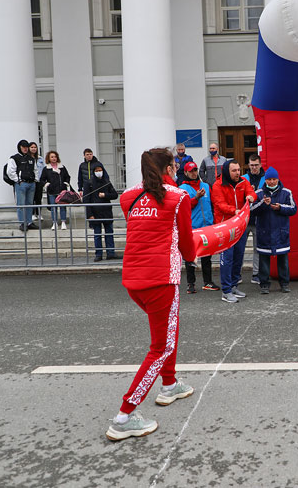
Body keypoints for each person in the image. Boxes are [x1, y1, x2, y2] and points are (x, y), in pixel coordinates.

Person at [106, 148, 196, 441]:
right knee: (161, 347)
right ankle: (124, 416)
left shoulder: (128, 197)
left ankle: (169, 385)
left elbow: (143, 228)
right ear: (169, 168)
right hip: (162, 280)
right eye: (174, 165)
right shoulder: (179, 197)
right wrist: (201, 248)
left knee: (168, 332)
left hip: (134, 280)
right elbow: (187, 247)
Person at [211, 159, 255, 303]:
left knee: (238, 256)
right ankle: (226, 290)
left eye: (238, 170)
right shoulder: (218, 185)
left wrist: (251, 197)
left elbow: (252, 193)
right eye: (234, 171)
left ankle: (234, 285)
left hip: (240, 225)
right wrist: (234, 211)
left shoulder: (243, 182)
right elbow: (219, 204)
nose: (237, 173)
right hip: (225, 227)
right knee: (227, 259)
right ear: (227, 171)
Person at [251, 167, 296, 294]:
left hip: (281, 232)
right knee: (264, 261)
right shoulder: (259, 193)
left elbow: (293, 209)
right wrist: (263, 204)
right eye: (269, 179)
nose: (272, 182)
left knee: (283, 260)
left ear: (278, 179)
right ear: (265, 180)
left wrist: (280, 208)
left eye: (274, 179)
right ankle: (264, 284)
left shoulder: (286, 192)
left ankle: (284, 283)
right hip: (264, 232)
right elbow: (252, 211)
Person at [179, 161, 220, 293]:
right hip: (193, 228)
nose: (194, 173)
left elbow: (213, 204)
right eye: (191, 171)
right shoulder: (182, 189)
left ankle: (207, 282)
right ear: (185, 173)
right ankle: (191, 283)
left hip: (207, 227)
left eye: (195, 170)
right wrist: (196, 197)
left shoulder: (206, 186)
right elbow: (184, 208)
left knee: (207, 257)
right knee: (190, 257)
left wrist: (215, 221)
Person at [83, 164, 118, 262]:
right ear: (93, 172)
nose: (99, 172)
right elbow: (86, 200)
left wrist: (105, 195)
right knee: (97, 234)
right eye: (97, 170)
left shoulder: (106, 181)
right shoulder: (89, 183)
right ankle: (98, 254)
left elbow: (114, 195)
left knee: (109, 233)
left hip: (106, 211)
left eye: (100, 170)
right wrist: (90, 214)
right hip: (95, 212)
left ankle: (111, 253)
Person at [7, 139, 39, 231]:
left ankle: (29, 222)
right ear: (19, 147)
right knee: (21, 204)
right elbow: (10, 171)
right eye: (23, 147)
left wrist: (35, 180)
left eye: (26, 147)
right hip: (21, 183)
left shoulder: (31, 159)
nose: (25, 149)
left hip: (31, 183)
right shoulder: (14, 158)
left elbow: (35, 170)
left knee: (29, 204)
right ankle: (22, 223)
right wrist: (18, 180)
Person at [242, 154, 264, 284]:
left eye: (256, 165)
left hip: (258, 219)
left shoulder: (266, 178)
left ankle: (256, 273)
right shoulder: (243, 178)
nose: (254, 167)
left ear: (260, 165)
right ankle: (237, 274)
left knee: (257, 248)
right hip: (244, 219)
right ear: (248, 165)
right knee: (240, 248)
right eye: (252, 165)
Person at [39, 150, 71, 230]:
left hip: (62, 191)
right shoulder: (46, 169)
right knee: (53, 208)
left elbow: (67, 176)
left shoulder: (62, 167)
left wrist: (66, 183)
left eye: (55, 157)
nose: (54, 158)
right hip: (52, 191)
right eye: (52, 157)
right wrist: (47, 185)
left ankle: (63, 222)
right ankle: (54, 223)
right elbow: (42, 179)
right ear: (49, 158)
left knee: (63, 207)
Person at [28, 142, 45, 221]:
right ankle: (31, 214)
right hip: (31, 181)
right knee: (31, 198)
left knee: (38, 198)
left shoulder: (40, 158)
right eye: (32, 147)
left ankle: (38, 213)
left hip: (39, 181)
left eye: (35, 147)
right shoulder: (27, 158)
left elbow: (43, 169)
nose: (34, 149)